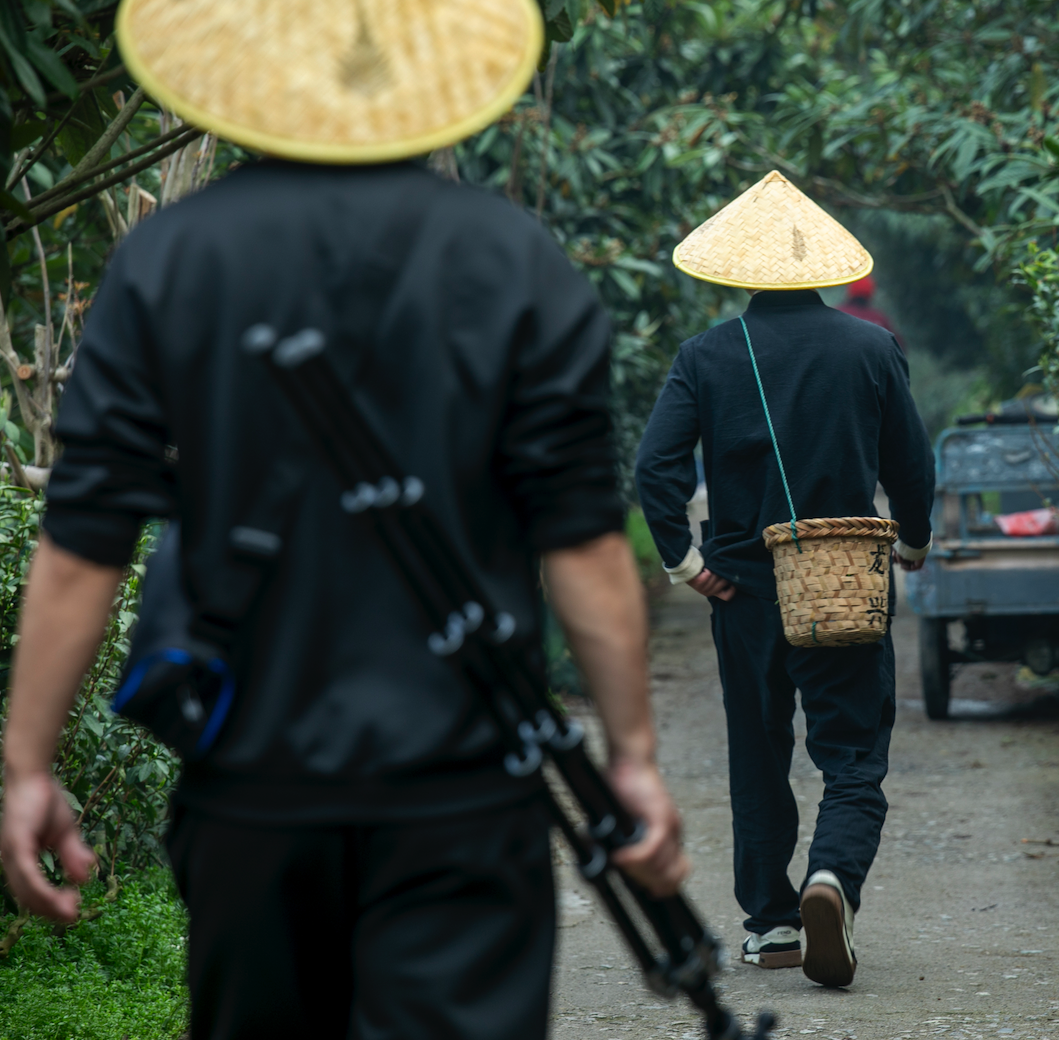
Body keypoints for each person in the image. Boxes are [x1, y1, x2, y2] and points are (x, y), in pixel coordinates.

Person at [0, 2, 689, 1038]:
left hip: (250, 794)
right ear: (416, 78)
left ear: (250, 71)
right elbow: (582, 537)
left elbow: (85, 538)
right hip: (463, 791)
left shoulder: (169, 260)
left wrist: (27, 763)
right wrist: (629, 755)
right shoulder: (512, 260)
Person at [635, 171, 935, 988]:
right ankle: (832, 876)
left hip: (742, 585)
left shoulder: (705, 355)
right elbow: (912, 463)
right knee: (853, 754)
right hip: (843, 580)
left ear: (739, 270)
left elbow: (655, 469)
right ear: (823, 267)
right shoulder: (873, 348)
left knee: (759, 752)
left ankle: (771, 923)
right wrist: (910, 544)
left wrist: (686, 564)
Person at [834, 275, 905, 349]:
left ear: (849, 292)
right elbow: (899, 346)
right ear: (871, 294)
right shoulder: (880, 319)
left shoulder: (836, 313)